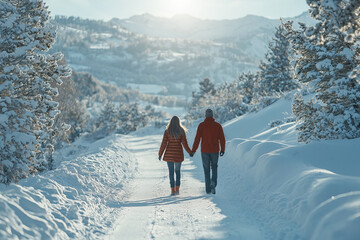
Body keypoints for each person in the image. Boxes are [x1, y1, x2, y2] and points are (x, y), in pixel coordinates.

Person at [191, 109, 225, 194]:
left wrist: (193, 150)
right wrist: (222, 149)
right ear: (213, 115)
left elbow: (197, 139)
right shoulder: (218, 126)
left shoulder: (201, 125)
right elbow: (222, 139)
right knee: (214, 167)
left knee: (206, 170)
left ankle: (208, 189)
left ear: (205, 115)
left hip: (205, 151)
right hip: (215, 151)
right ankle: (213, 183)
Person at [158, 116, 192, 196]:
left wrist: (160, 154)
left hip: (169, 155)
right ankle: (177, 190)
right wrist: (190, 152)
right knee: (177, 172)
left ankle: (172, 190)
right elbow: (185, 144)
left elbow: (163, 144)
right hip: (178, 155)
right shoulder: (181, 131)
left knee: (171, 173)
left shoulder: (167, 131)